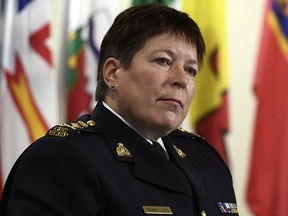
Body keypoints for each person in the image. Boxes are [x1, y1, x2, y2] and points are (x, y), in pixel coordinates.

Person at [0, 4, 238, 216]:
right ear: (113, 73)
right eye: (163, 61)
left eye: (190, 69)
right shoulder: (63, 158)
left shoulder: (206, 159)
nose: (182, 80)